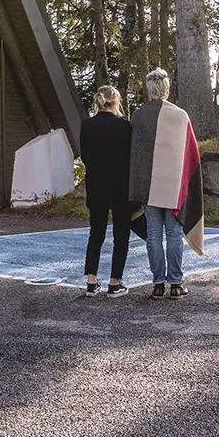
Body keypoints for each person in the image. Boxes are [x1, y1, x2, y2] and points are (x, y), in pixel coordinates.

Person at [126, 68, 204, 299]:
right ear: (167, 90)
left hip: (148, 186)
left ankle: (158, 285)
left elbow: (134, 152)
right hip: (174, 187)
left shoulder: (139, 116)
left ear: (149, 90)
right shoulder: (180, 116)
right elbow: (191, 154)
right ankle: (176, 284)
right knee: (173, 234)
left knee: (153, 235)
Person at [79, 85, 132, 296]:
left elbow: (85, 156)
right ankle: (114, 282)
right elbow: (130, 156)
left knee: (96, 234)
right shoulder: (124, 126)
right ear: (116, 102)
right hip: (121, 186)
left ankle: (91, 282)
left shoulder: (86, 125)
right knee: (121, 235)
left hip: (96, 185)